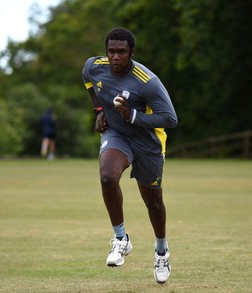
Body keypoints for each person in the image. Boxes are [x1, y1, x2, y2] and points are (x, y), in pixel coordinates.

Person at [82, 27, 178, 283]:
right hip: (117, 136)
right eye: (111, 51)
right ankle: (121, 238)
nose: (115, 57)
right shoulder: (95, 66)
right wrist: (99, 110)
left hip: (148, 144)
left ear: (131, 53)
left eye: (121, 52)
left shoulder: (147, 81)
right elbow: (88, 80)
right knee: (107, 177)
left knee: (153, 204)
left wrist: (132, 115)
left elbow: (170, 118)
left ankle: (161, 251)